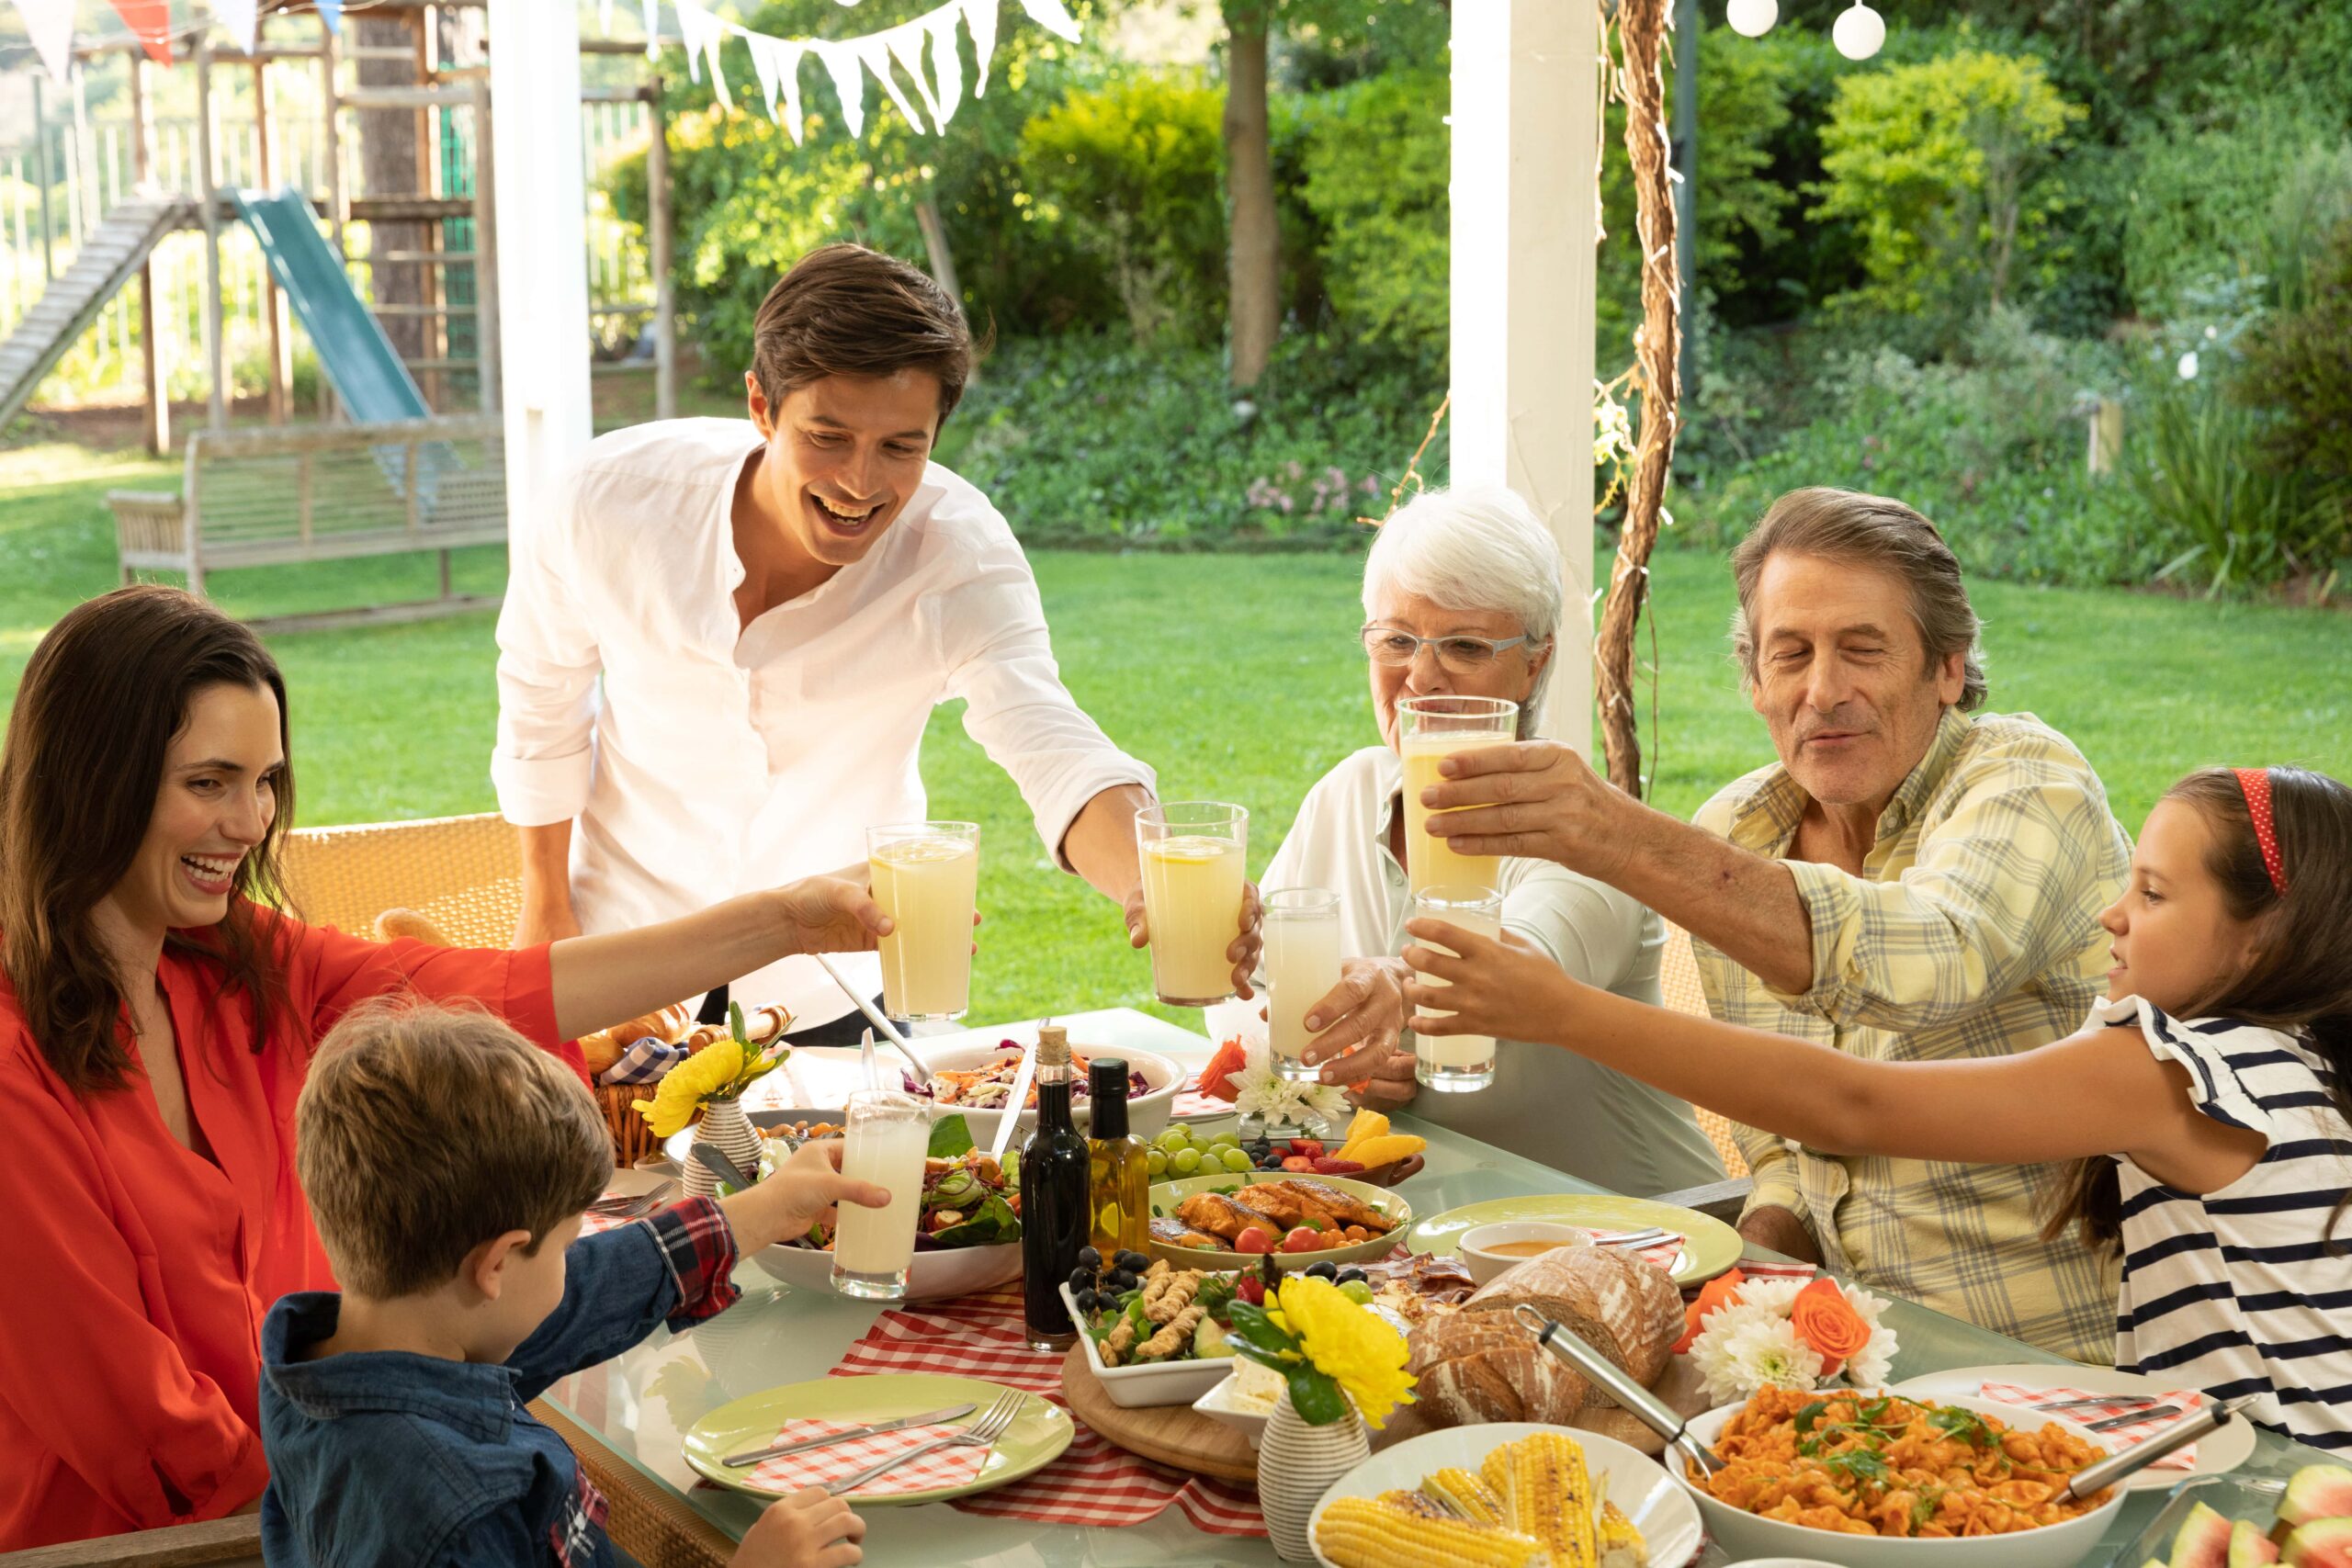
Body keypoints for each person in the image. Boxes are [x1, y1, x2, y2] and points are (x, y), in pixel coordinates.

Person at [0, 587, 898, 1550]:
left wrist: (783, 926)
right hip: (177, 1542)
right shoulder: (16, 1076)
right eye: (210, 782)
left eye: (265, 780)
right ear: (95, 780)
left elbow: (502, 994)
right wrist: (403, 1477)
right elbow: (149, 1436)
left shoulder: (231, 961)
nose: (253, 820)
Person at [1403, 764, 2352, 1447]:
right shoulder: (2291, 1062)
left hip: (2276, 1487)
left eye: (2150, 894)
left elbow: (1852, 1104)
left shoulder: (2177, 1070)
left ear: (2261, 936)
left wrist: (1564, 1011)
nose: (2113, 915)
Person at [1412, 488, 2132, 1361]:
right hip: (1845, 1357)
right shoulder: (1738, 830)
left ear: (1949, 666)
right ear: (1755, 680)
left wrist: (1609, 830)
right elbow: (1788, 1150)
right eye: (1789, 653)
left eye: (1862, 649)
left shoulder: (2027, 779)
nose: (1823, 691)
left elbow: (1930, 960)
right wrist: (1741, 1278)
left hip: (2051, 1361)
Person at [494, 243, 1256, 1037]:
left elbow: (1049, 738)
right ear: (761, 406)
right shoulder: (607, 503)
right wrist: (546, 903)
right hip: (622, 962)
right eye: (828, 436)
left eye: (902, 447)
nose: (861, 483)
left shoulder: (958, 555)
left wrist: (1148, 877)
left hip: (836, 986)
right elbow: (542, 696)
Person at [263, 999, 880, 1565]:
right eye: (565, 1244)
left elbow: (579, 1296)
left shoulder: (348, 1359)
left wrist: (767, 1208)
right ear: (497, 1264)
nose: (570, 1262)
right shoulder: (462, 1517)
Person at [1256, 485, 1723, 1194]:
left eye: (1465, 646)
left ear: (1535, 662)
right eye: (1397, 640)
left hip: (1642, 1241)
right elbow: (1259, 1000)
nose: (1420, 675)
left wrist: (1395, 988)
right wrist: (1335, 1056)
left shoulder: (1590, 838)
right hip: (1439, 1245)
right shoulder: (1345, 795)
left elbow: (1518, 967)